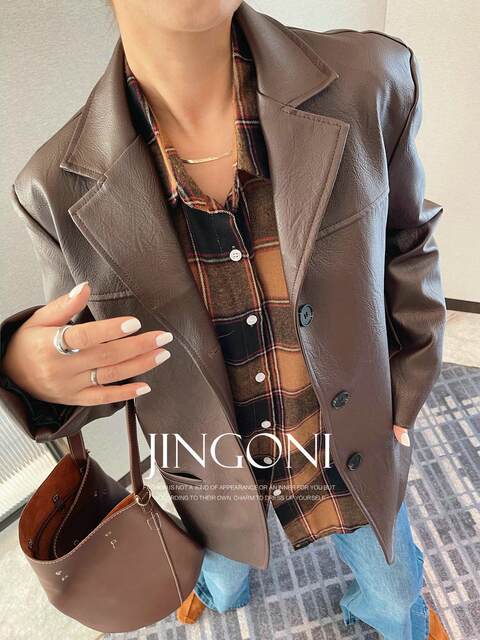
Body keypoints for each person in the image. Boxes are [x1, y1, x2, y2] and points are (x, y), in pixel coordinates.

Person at [0, 1, 449, 638]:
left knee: (394, 584)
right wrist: (29, 372)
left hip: (349, 438)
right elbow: (96, 368)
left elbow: (408, 239)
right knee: (221, 568)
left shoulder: (370, 78)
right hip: (209, 466)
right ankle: (216, 590)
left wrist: (410, 381)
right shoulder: (52, 187)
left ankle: (395, 620)